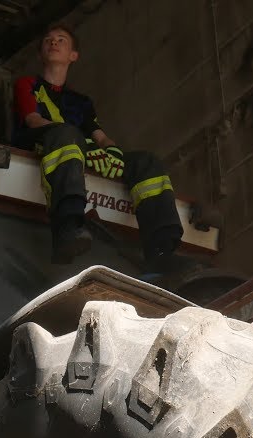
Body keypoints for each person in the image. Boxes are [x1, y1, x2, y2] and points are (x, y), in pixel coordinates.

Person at [13, 24, 183, 269]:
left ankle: (161, 252)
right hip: (38, 144)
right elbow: (33, 120)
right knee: (67, 135)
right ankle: (68, 229)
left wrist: (111, 151)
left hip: (77, 150)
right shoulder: (27, 84)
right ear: (40, 55)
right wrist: (85, 147)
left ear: (74, 56)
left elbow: (101, 137)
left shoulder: (81, 102)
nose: (53, 43)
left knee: (147, 162)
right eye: (48, 40)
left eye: (61, 40)